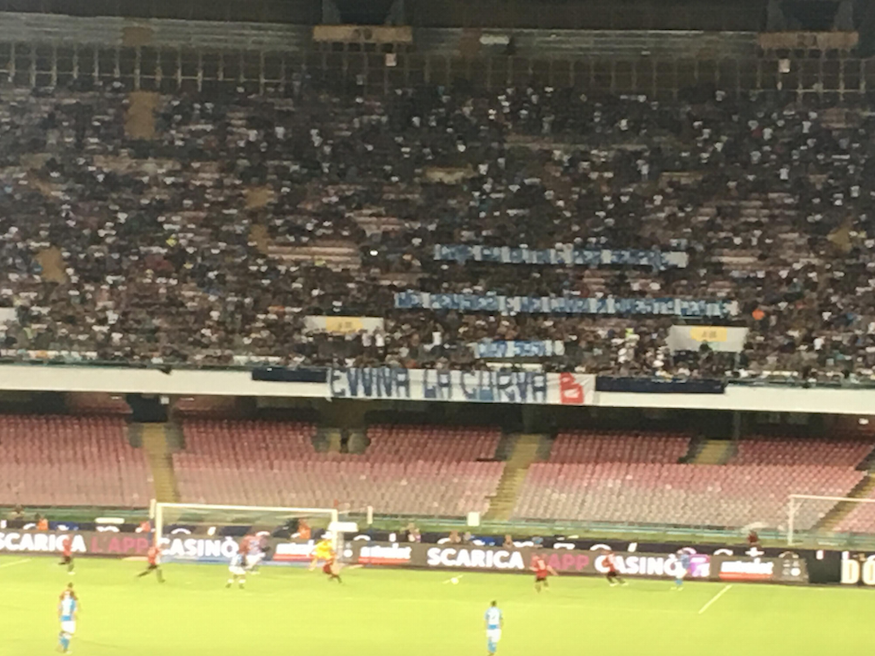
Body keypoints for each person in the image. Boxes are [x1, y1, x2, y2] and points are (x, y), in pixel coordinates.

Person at [57, 583, 78, 654]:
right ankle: (61, 643)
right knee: (70, 633)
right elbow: (74, 610)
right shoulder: (72, 600)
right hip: (70, 618)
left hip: (64, 618)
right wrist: (74, 617)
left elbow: (59, 609)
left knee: (67, 633)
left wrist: (60, 617)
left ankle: (64, 646)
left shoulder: (63, 600)